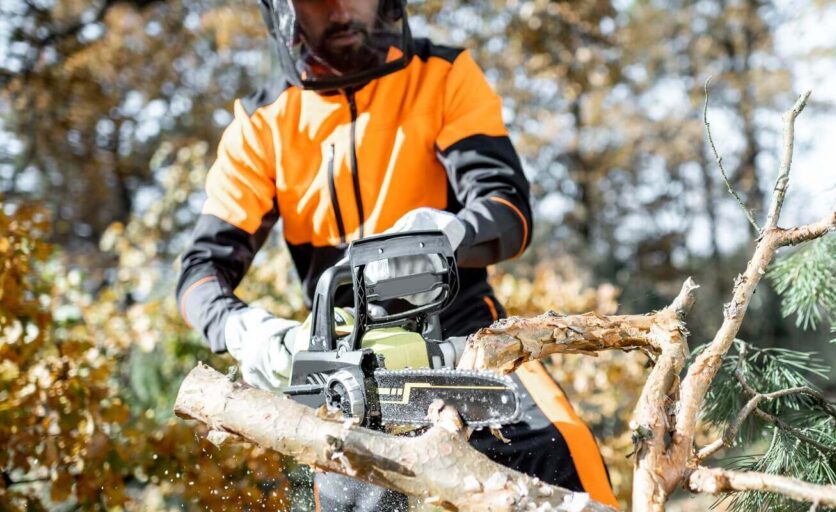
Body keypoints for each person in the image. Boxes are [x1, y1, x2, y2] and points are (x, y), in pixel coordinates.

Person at [175, 0, 618, 509]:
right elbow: (200, 271)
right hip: (345, 363)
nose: (342, 11)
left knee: (567, 467)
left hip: (466, 337)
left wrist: (451, 233)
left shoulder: (442, 75)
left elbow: (508, 209)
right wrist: (244, 331)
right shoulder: (262, 124)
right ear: (287, 13)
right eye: (321, 1)